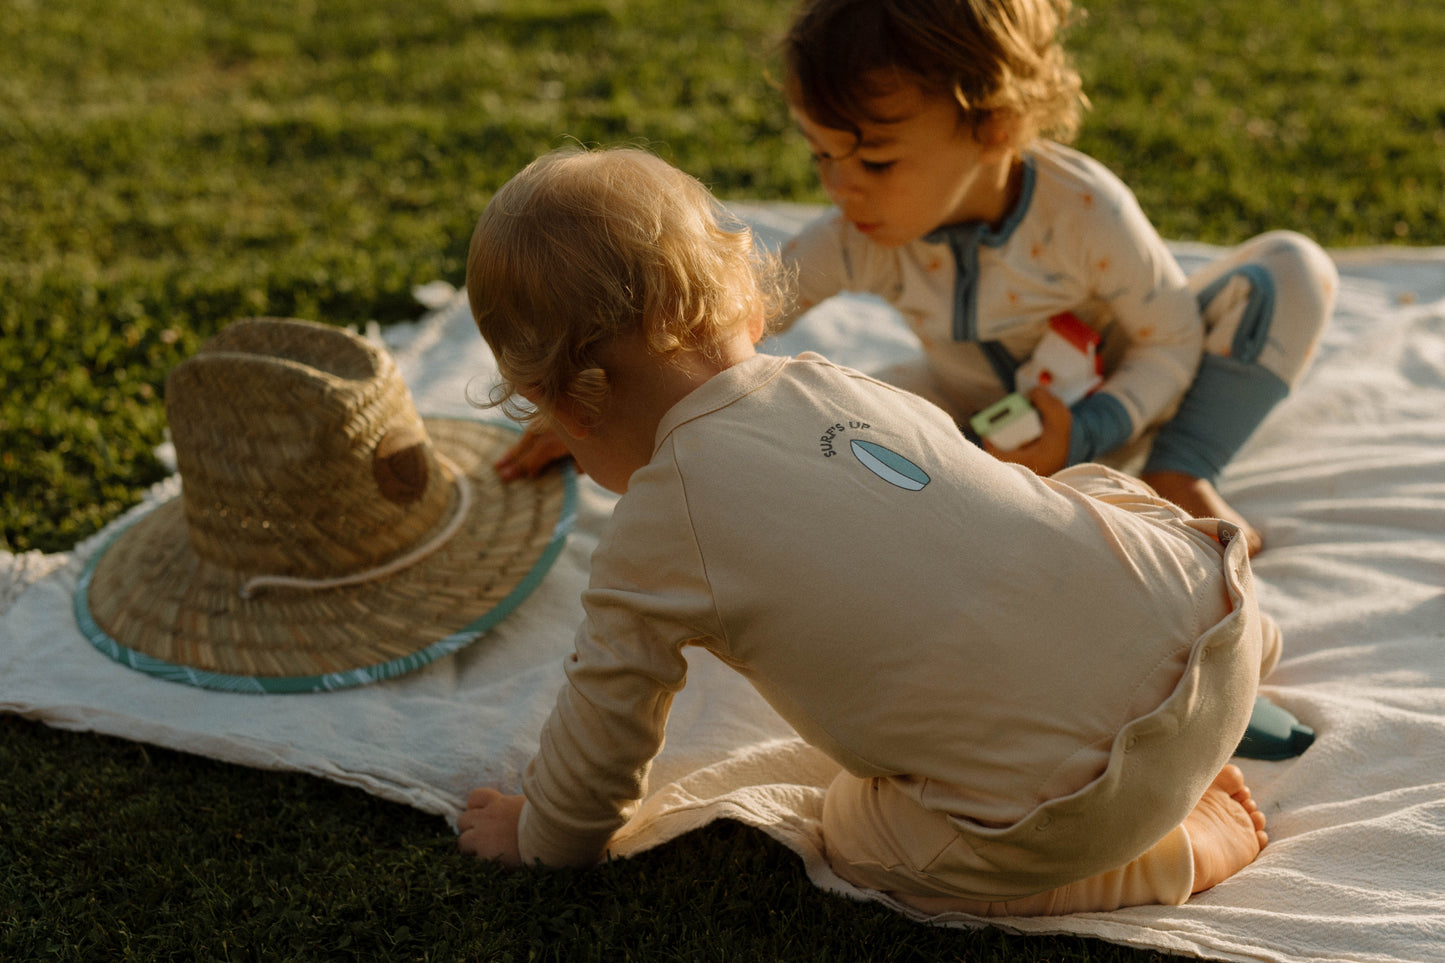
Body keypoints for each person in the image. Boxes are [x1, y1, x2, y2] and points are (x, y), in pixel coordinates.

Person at [457, 145, 1275, 916]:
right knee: (1079, 495)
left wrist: (541, 837)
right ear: (742, 294)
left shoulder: (653, 534)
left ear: (562, 406)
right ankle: (1174, 720)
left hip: (1071, 810)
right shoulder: (837, 384)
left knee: (854, 831)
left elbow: (602, 732)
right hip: (1215, 633)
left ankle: (1168, 855)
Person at [772, 0, 1338, 555]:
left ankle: (1179, 471)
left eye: (876, 162)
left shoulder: (1083, 210)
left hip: (1127, 402)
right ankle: (981, 497)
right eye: (819, 154)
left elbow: (1170, 337)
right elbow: (745, 306)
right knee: (825, 425)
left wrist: (1087, 431)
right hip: (973, 434)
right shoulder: (855, 233)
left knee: (1293, 269)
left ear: (997, 124)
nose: (839, 187)